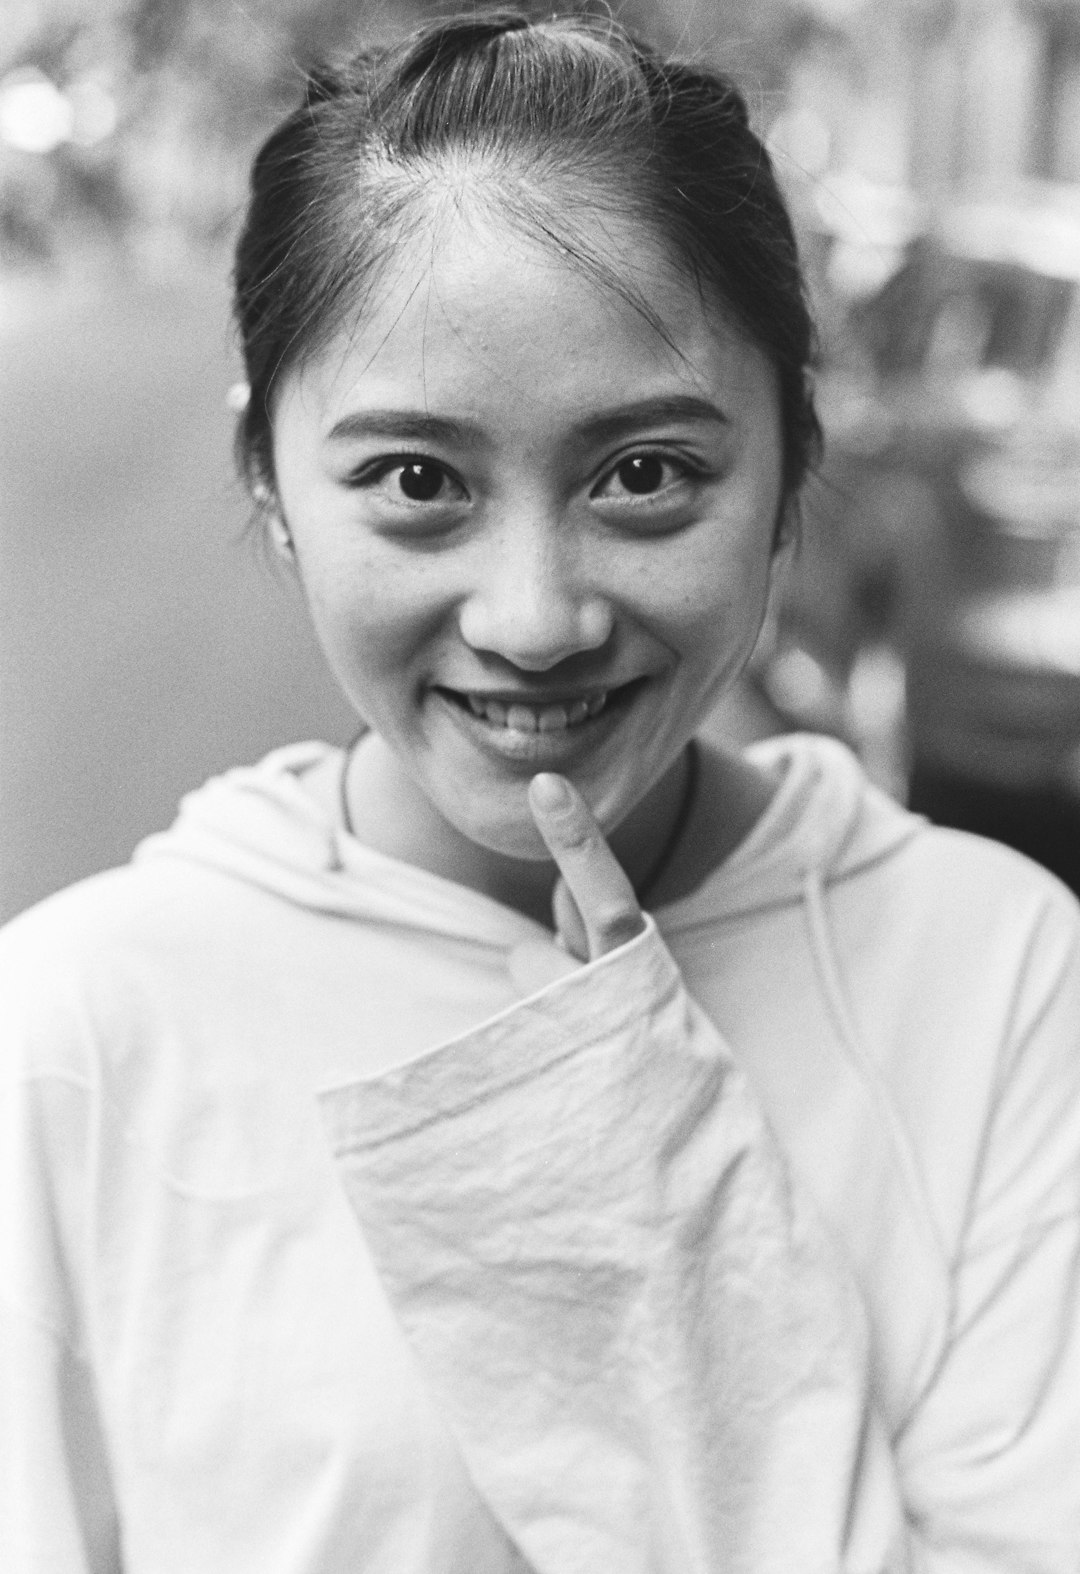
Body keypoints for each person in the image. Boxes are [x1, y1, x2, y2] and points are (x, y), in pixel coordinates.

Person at [2, 11, 1079, 1571]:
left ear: (795, 470)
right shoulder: (71, 1034)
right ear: (270, 484)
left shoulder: (999, 977)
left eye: (644, 473)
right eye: (418, 483)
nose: (534, 614)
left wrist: (632, 1175)